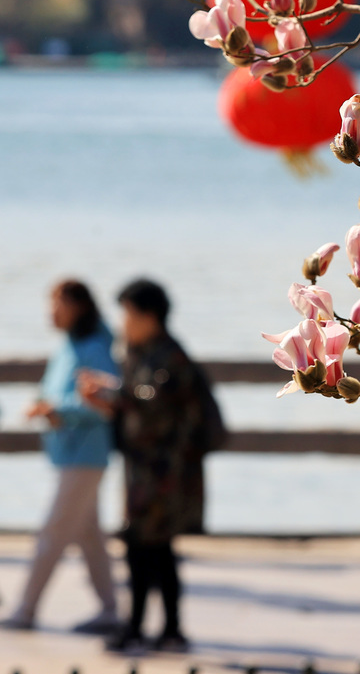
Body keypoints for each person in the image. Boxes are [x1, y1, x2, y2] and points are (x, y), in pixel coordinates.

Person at [81, 278, 218, 654]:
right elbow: (138, 399)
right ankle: (147, 627)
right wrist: (112, 394)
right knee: (145, 548)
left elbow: (152, 405)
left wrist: (112, 395)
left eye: (128, 313)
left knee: (151, 548)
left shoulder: (169, 357)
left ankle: (155, 628)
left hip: (164, 474)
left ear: (148, 316)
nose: (124, 322)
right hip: (145, 471)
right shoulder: (145, 352)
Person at [3, 280, 118, 632]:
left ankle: (25, 610)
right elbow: (57, 392)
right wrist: (45, 405)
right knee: (89, 537)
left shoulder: (95, 346)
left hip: (86, 455)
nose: (51, 312)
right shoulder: (68, 345)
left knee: (52, 532)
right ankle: (110, 612)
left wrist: (57, 409)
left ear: (79, 306)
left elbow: (105, 399)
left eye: (58, 303)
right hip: (69, 453)